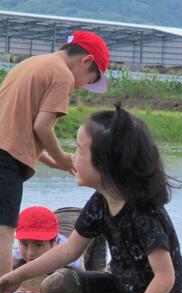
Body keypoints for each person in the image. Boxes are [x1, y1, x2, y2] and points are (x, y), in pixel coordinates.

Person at [0, 105, 182, 293]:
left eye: (79, 150)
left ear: (105, 163)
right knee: (57, 285)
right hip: (120, 291)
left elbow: (165, 277)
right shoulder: (100, 203)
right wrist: (15, 276)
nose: (72, 156)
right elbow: (69, 250)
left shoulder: (144, 213)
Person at [0, 31, 110, 277]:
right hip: (5, 163)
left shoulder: (29, 64)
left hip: (4, 152)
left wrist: (51, 162)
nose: (80, 86)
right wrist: (63, 159)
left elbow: (13, 131)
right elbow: (42, 127)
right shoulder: (62, 75)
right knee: (4, 235)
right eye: (89, 80)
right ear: (86, 61)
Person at [12, 205, 82, 269]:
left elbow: (79, 265)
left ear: (54, 241)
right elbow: (12, 258)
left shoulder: (67, 253)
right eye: (25, 244)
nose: (30, 253)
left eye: (38, 245)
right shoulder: (20, 250)